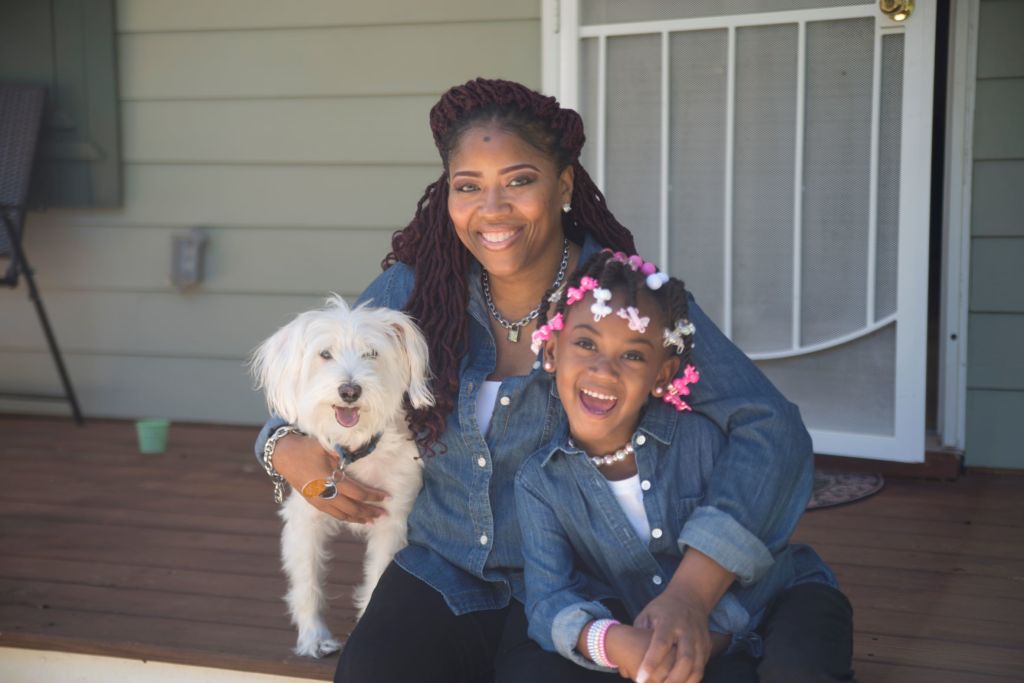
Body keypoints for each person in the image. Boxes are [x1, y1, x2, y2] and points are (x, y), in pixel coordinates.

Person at [254, 78, 844, 682]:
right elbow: (320, 368)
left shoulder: (620, 304)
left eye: (519, 180)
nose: (493, 209)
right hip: (441, 566)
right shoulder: (418, 289)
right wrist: (283, 446)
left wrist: (695, 587)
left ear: (562, 185)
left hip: (576, 582)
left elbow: (769, 428)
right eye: (468, 187)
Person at [516, 249, 853, 682]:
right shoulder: (540, 484)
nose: (604, 369)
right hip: (670, 638)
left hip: (779, 601)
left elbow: (759, 559)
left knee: (797, 671)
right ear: (551, 351)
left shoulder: (703, 442)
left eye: (633, 356)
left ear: (663, 373)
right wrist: (612, 642)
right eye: (585, 344)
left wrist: (705, 638)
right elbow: (548, 599)